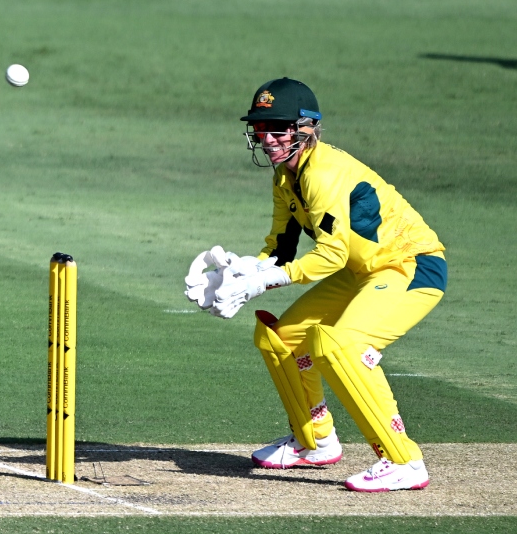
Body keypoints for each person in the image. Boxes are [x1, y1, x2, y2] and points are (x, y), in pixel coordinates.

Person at [184, 77, 447, 492]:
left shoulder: (323, 175)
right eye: (260, 128)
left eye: (278, 128)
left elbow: (330, 256)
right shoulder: (285, 178)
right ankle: (315, 441)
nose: (267, 139)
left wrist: (257, 286)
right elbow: (280, 250)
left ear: (305, 129)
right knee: (283, 338)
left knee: (342, 345)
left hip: (410, 266)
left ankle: (403, 460)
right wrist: (234, 275)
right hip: (361, 271)